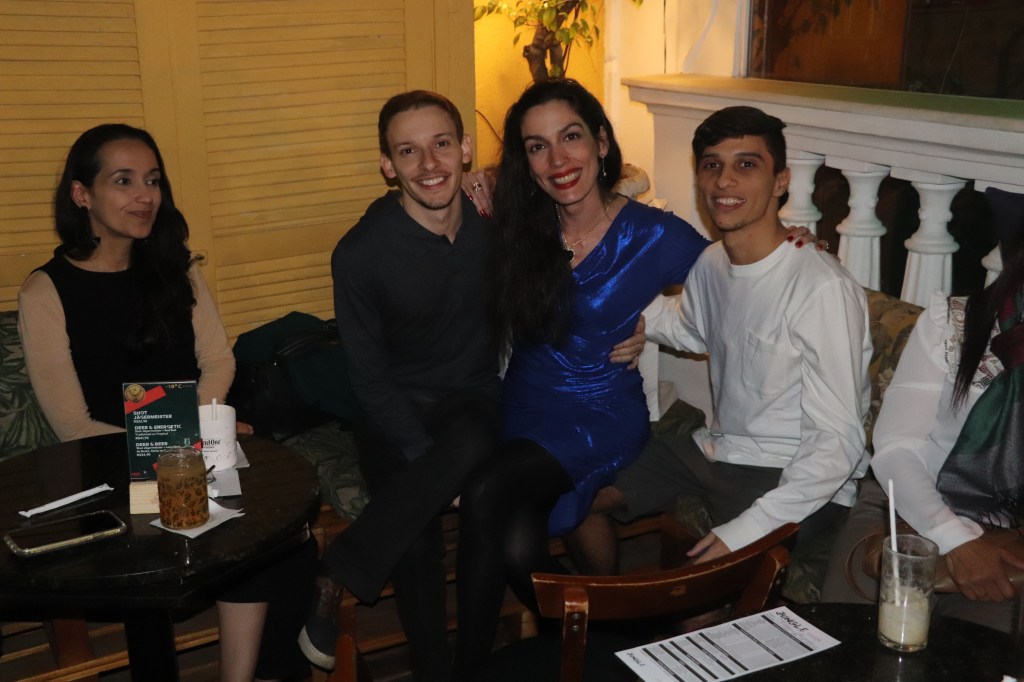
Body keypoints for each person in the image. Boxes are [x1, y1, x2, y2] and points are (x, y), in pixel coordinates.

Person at [298, 90, 647, 679]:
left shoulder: (496, 223)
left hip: (473, 402)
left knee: (475, 437)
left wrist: (637, 323)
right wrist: (429, 466)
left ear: (464, 149)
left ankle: (341, 568)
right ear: (387, 165)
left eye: (441, 144)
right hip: (391, 410)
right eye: (408, 151)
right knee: (415, 538)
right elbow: (369, 379)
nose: (428, 164)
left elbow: (603, 202)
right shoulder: (360, 253)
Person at [17, 123, 316, 682]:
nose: (145, 196)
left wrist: (198, 434)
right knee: (236, 537)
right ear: (82, 194)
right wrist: (183, 446)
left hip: (194, 450)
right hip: (109, 467)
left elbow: (218, 361)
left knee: (283, 537)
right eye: (123, 181)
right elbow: (72, 424)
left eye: (152, 180)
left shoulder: (177, 267)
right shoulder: (46, 292)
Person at [451, 79, 713, 680]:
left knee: (487, 490)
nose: (557, 159)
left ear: (601, 142)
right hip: (525, 406)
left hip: (598, 413)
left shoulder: (655, 233)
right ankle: (619, 635)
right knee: (517, 544)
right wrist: (475, 184)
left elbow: (734, 284)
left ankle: (467, 672)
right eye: (537, 147)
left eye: (570, 137)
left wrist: (660, 326)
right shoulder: (522, 224)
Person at [569, 106, 872, 579]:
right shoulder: (712, 262)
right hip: (714, 449)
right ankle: (604, 613)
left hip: (791, 473)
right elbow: (690, 327)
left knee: (700, 605)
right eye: (712, 165)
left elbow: (838, 443)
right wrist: (616, 304)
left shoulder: (822, 289)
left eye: (746, 164)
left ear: (780, 181)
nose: (724, 181)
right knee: (574, 499)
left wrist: (747, 530)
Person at [822, 212, 1024, 633]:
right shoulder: (955, 324)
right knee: (847, 642)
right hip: (903, 508)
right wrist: (955, 539)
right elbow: (896, 447)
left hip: (1006, 541)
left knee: (981, 655)